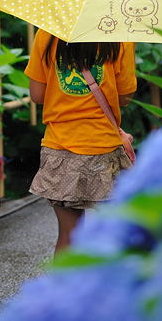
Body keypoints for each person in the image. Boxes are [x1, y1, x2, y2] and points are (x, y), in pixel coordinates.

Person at [24, 31, 136, 254]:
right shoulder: (119, 35)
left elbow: (37, 95)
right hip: (104, 149)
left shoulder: (48, 34)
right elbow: (124, 97)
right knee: (113, 233)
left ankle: (62, 289)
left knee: (69, 235)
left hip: (60, 149)